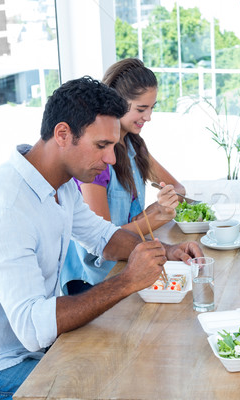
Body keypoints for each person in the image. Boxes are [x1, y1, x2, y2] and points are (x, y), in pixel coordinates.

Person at [0, 76, 203, 398]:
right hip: (6, 363)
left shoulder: (60, 183)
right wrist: (127, 281)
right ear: (63, 134)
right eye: (102, 146)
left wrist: (168, 251)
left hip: (39, 346)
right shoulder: (8, 206)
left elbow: (103, 237)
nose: (112, 160)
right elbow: (34, 328)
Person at [61, 58, 185, 295]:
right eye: (141, 109)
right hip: (92, 280)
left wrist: (154, 210)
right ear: (116, 103)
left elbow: (177, 188)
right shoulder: (96, 161)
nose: (148, 117)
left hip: (125, 262)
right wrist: (154, 217)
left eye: (152, 108)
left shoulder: (134, 146)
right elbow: (103, 240)